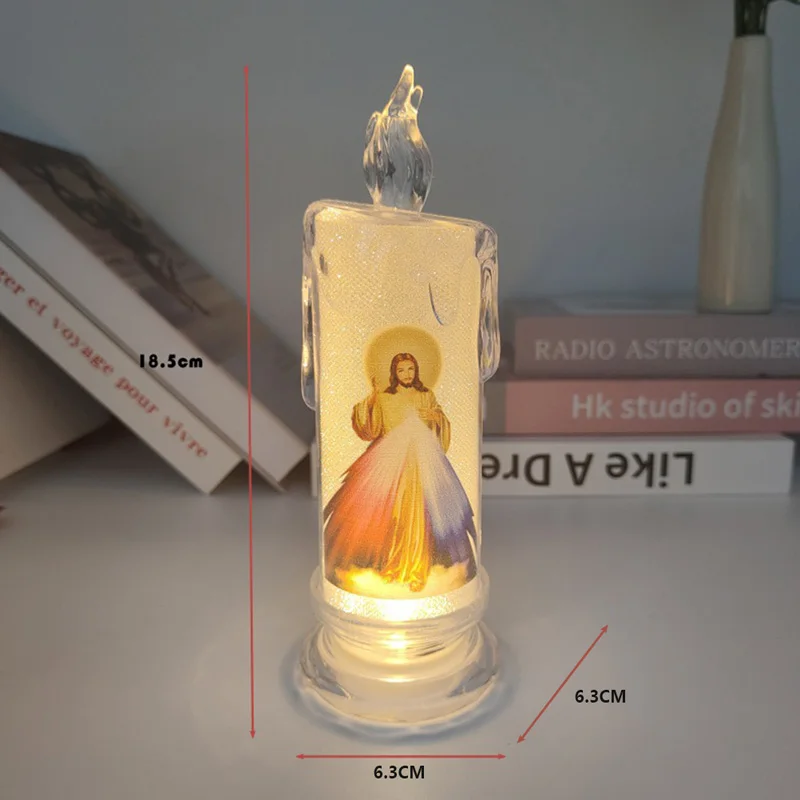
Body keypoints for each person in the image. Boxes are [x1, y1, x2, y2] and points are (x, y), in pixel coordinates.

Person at [323, 352, 476, 593]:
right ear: (394, 373)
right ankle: (390, 564)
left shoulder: (426, 395)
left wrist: (436, 417)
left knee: (420, 514)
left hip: (422, 464)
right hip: (389, 463)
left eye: (411, 369)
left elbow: (440, 427)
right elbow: (369, 429)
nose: (407, 374)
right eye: (402, 370)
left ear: (417, 371)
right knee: (387, 511)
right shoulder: (385, 397)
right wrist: (373, 397)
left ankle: (416, 567)